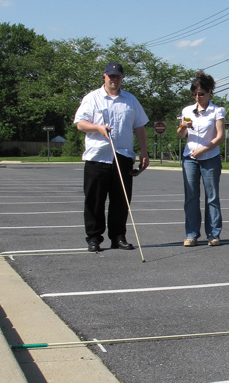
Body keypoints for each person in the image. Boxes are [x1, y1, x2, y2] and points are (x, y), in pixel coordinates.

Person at [74, 62, 149, 252]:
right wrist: (98, 128)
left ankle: (118, 237)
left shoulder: (130, 100)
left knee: (121, 200)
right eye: (111, 76)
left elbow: (139, 126)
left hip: (122, 156)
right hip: (97, 156)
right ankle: (94, 238)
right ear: (104, 76)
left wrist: (144, 151)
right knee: (94, 200)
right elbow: (80, 124)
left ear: (122, 78)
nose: (114, 79)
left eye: (117, 76)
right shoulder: (92, 98)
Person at [177, 71, 225, 247]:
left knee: (212, 197)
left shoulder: (217, 111)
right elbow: (181, 135)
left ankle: (213, 234)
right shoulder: (187, 110)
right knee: (191, 196)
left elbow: (220, 136)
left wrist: (203, 150)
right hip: (189, 157)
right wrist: (183, 126)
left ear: (210, 92)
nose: (198, 97)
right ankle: (191, 234)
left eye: (201, 94)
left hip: (210, 157)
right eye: (195, 94)